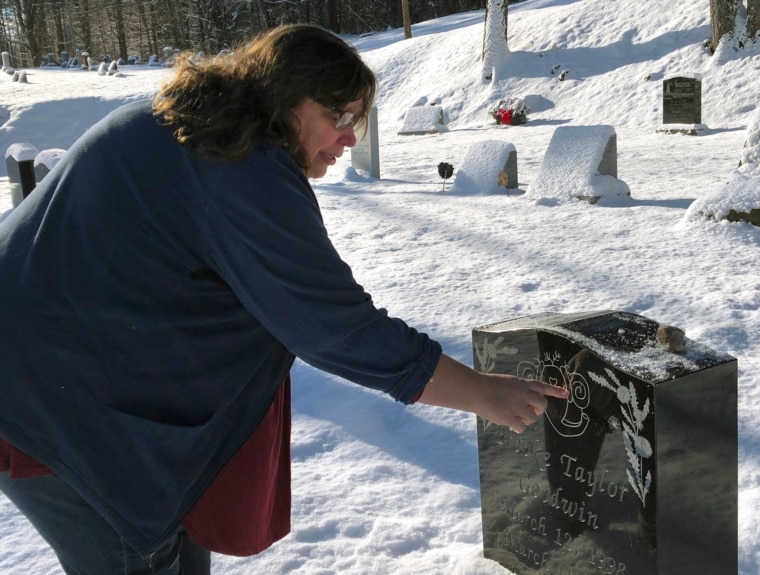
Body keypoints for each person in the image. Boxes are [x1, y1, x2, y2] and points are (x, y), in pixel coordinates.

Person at [0, 24, 568, 574]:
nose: (350, 137)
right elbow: (333, 325)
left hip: (81, 380)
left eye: (356, 120)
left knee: (168, 545)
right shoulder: (235, 168)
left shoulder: (193, 128)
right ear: (286, 99)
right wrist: (482, 393)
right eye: (338, 117)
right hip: (61, 405)